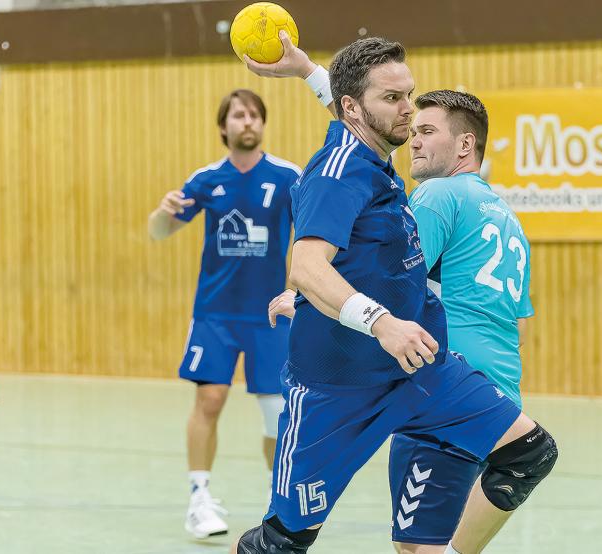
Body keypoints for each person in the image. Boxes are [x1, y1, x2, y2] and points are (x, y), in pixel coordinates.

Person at [232, 37, 557, 554]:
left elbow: (360, 112)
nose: (408, 109)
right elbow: (306, 265)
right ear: (355, 109)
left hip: (419, 373)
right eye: (395, 99)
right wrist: (381, 322)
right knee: (280, 543)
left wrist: (307, 70)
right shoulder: (338, 170)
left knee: (530, 451)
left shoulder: (376, 159)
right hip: (337, 389)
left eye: (411, 95)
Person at [147, 89, 300, 539]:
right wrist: (162, 211)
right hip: (215, 313)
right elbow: (160, 232)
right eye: (238, 115)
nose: (247, 121)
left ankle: (281, 505)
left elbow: (310, 236)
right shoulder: (206, 179)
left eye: (254, 115)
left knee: (277, 413)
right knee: (209, 400)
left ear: (262, 125)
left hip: (271, 316)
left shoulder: (288, 176)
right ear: (224, 127)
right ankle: (199, 498)